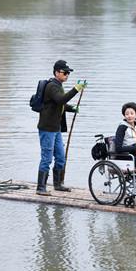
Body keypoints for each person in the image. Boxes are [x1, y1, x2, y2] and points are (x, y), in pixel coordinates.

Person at [36, 60, 88, 196]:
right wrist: (76, 89)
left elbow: (59, 104)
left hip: (56, 128)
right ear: (56, 72)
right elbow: (60, 100)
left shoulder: (58, 85)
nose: (67, 75)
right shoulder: (52, 86)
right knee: (47, 158)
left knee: (60, 157)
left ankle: (58, 184)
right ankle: (40, 188)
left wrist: (71, 108)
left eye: (68, 73)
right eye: (65, 73)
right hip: (47, 129)